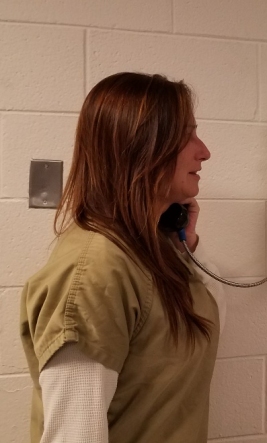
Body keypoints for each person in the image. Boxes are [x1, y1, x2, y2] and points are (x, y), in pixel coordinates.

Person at [20, 72, 226, 443]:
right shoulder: (94, 272)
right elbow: (74, 435)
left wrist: (185, 244)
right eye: (188, 135)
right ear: (143, 146)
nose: (204, 151)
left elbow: (206, 322)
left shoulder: (151, 249)